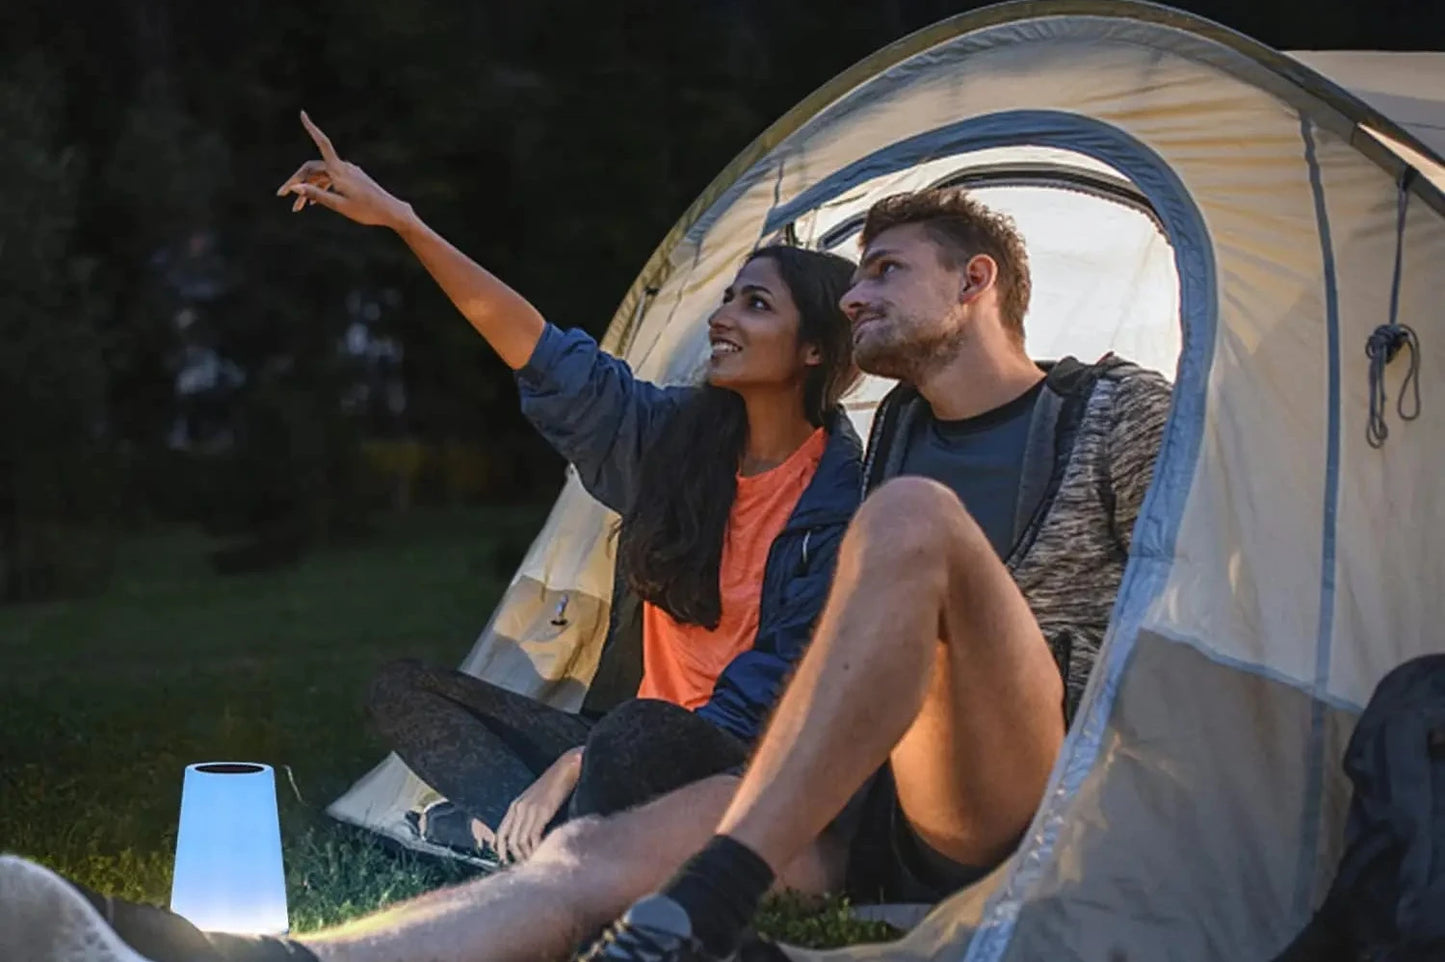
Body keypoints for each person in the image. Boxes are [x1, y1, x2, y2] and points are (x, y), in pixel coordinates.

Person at [0, 186, 1171, 962]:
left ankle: (702, 885)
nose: (857, 290)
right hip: (856, 788)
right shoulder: (876, 434)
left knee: (879, 545)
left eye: (881, 271)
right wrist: (405, 219)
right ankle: (277, 955)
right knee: (590, 857)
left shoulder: (1102, 413)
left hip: (1013, 776)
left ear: (975, 281)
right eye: (850, 277)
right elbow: (558, 366)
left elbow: (1186, 622)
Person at [276, 111, 864, 864]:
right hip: (621, 746)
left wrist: (576, 760)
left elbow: (775, 691)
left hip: (733, 761)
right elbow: (547, 358)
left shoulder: (839, 500)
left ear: (815, 348)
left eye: (755, 304)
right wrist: (402, 221)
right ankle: (573, 841)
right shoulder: (673, 441)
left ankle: (528, 835)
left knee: (634, 731)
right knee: (405, 692)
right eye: (726, 297)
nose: (721, 318)